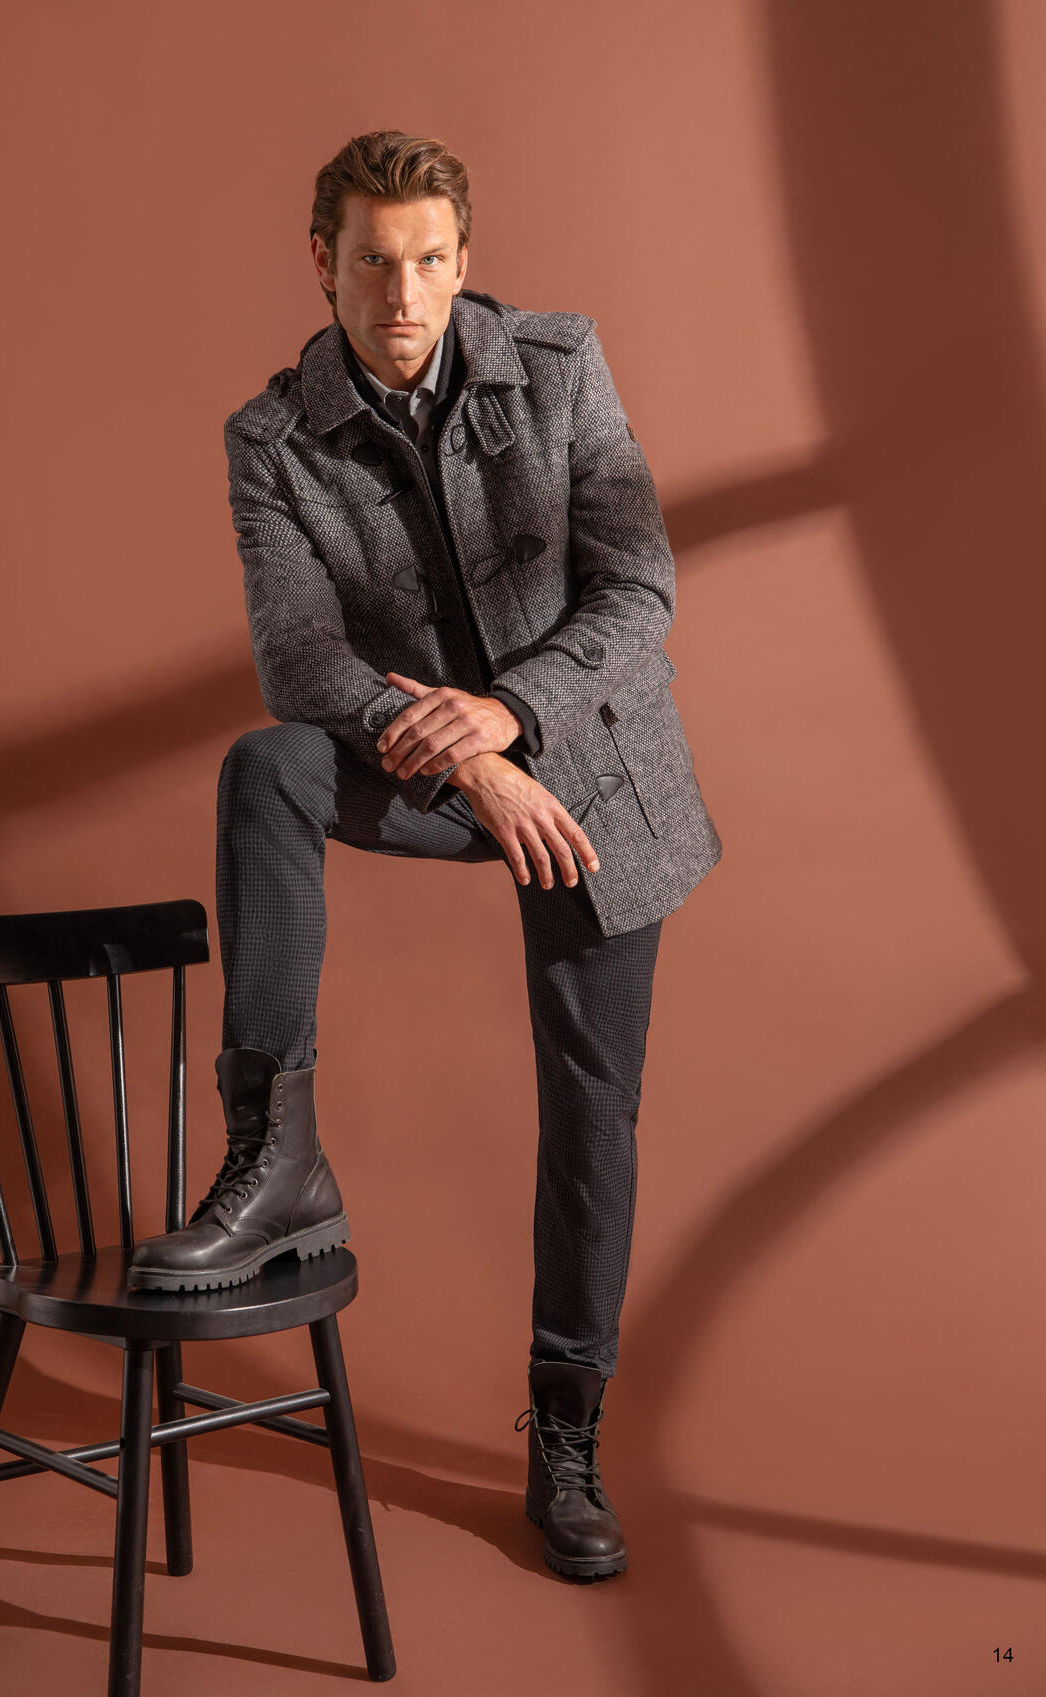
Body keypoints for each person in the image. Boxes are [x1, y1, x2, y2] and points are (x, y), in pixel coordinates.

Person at [129, 129, 723, 1582]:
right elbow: (300, 662)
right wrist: (472, 761)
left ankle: (566, 1438)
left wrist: (515, 717)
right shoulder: (273, 440)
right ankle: (276, 1151)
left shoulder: (561, 367)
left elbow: (638, 591)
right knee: (267, 767)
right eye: (373, 261)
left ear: (465, 259)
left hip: (597, 776)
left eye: (429, 260)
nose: (402, 294)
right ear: (321, 262)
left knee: (591, 1108)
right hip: (433, 764)